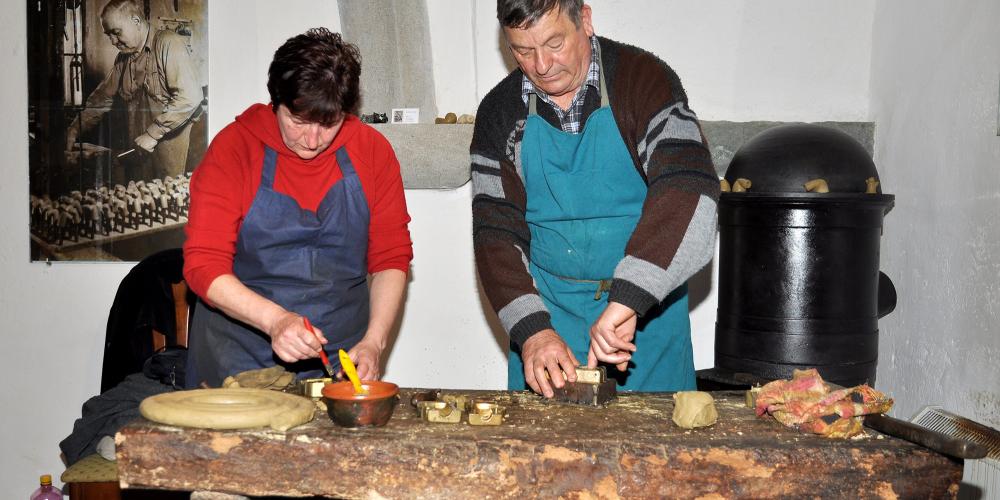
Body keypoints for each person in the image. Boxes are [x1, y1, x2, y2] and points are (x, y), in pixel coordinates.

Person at [471, 0, 719, 397]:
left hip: (646, 314)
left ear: (584, 20)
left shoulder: (643, 81)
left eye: (554, 43)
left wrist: (629, 300)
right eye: (523, 50)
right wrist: (533, 331)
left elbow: (688, 190)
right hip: (549, 315)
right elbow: (494, 234)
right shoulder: (499, 113)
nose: (542, 65)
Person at [182, 28, 412, 388]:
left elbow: (390, 259)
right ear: (277, 101)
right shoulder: (234, 149)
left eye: (329, 123)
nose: (312, 140)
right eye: (299, 121)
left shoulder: (372, 152)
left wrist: (373, 343)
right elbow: (202, 266)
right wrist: (276, 321)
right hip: (239, 361)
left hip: (339, 361)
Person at [65, 0, 202, 181]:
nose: (113, 41)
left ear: (136, 21)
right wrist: (75, 128)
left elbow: (190, 97)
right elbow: (102, 99)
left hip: (173, 161)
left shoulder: (168, 44)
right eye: (109, 35)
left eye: (116, 32)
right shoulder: (123, 59)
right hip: (140, 154)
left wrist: (154, 133)